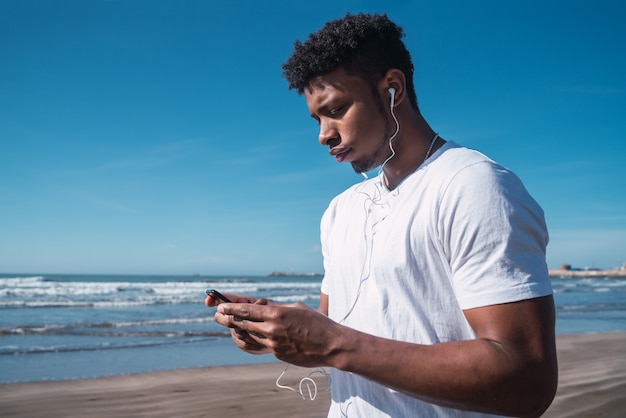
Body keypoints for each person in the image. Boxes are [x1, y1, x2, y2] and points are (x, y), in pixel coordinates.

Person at [206, 12, 557, 417]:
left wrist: (332, 343)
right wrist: (279, 331)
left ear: (393, 88)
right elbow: (338, 334)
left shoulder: (473, 186)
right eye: (317, 119)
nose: (323, 134)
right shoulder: (341, 210)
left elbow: (527, 382)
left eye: (335, 109)